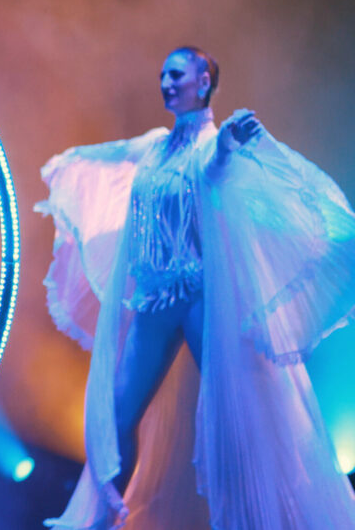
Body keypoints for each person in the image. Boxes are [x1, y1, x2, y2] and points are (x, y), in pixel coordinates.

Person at [38, 46, 355, 529]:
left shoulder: (215, 144)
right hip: (154, 301)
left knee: (239, 412)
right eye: (162, 74)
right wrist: (65, 164)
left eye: (177, 74)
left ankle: (268, 514)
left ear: (203, 80)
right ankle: (102, 516)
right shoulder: (153, 145)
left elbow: (214, 177)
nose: (166, 83)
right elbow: (108, 159)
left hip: (201, 298)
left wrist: (227, 149)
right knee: (118, 413)